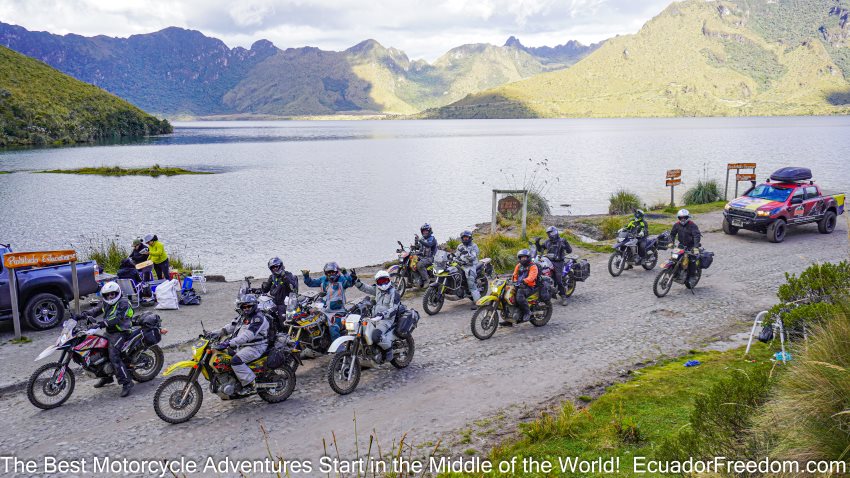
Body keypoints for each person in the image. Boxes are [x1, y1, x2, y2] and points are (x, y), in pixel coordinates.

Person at [82, 281, 135, 397]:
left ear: (117, 293)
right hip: (110, 332)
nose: (110, 296)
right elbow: (96, 310)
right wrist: (82, 315)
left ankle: (127, 382)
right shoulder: (106, 303)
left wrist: (101, 324)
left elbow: (117, 318)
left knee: (113, 355)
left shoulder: (124, 303)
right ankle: (107, 377)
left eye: (113, 294)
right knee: (99, 352)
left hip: (122, 332)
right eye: (108, 295)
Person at [210, 294, 269, 395]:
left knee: (236, 360)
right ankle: (234, 382)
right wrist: (214, 333)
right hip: (243, 346)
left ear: (254, 306)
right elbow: (230, 327)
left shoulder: (258, 318)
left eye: (248, 306)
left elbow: (248, 335)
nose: (246, 309)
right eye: (244, 307)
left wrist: (229, 343)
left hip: (256, 347)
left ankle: (250, 384)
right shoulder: (243, 317)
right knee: (224, 356)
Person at [354, 270, 401, 361]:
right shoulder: (377, 290)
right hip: (374, 317)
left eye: (385, 281)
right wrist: (356, 281)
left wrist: (383, 315)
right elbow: (365, 288)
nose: (383, 283)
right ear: (377, 282)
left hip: (387, 319)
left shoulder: (394, 293)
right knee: (362, 333)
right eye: (380, 281)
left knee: (376, 335)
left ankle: (389, 350)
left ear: (389, 280)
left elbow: (394, 309)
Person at [301, 262, 355, 339]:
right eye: (329, 272)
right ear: (326, 273)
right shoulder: (323, 279)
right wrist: (306, 276)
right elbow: (310, 283)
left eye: (333, 272)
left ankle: (338, 349)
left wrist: (346, 273)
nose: (331, 274)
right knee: (310, 322)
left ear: (337, 272)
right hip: (323, 309)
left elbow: (350, 283)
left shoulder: (342, 280)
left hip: (337, 310)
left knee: (334, 328)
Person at [538, 226, 573, 306]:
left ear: (556, 232)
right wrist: (537, 243)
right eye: (549, 234)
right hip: (548, 260)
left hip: (558, 262)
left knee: (558, 279)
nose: (551, 235)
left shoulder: (562, 241)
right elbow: (541, 250)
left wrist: (565, 246)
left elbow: (569, 250)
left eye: (552, 233)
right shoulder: (547, 242)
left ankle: (563, 297)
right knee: (540, 272)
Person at [261, 257, 298, 329]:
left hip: (286, 303)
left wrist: (284, 277)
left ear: (280, 265)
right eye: (272, 267)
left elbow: (293, 287)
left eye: (276, 266)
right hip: (274, 302)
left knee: (283, 321)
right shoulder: (272, 277)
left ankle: (286, 334)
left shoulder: (288, 275)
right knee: (266, 314)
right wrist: (255, 290)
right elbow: (265, 289)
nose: (274, 268)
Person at [669, 209, 702, 288]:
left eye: (684, 217)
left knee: (691, 260)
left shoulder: (692, 225)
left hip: (691, 246)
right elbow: (672, 234)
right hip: (681, 245)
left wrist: (696, 247)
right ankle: (675, 272)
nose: (683, 219)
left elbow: (696, 236)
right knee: (674, 257)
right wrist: (671, 242)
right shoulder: (676, 225)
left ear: (688, 217)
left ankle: (692, 276)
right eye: (681, 218)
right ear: (678, 218)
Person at [510, 249, 539, 324]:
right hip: (519, 285)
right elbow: (515, 275)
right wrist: (514, 280)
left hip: (529, 286)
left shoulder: (533, 266)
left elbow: (532, 277)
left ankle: (527, 312)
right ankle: (510, 318)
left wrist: (524, 281)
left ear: (528, 257)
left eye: (524, 257)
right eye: (521, 257)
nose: (523, 259)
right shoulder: (519, 265)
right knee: (509, 295)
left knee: (519, 296)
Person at [455, 230, 481, 309]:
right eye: (464, 237)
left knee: (471, 284)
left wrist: (466, 253)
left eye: (466, 237)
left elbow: (473, 256)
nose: (465, 239)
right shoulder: (460, 246)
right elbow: (457, 255)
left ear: (470, 238)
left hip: (471, 266)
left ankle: (478, 303)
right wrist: (451, 257)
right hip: (461, 264)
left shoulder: (474, 246)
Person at [415, 223, 437, 288]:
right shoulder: (422, 238)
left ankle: (426, 280)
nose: (425, 232)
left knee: (419, 264)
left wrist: (419, 240)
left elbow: (428, 245)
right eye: (423, 231)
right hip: (423, 257)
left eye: (426, 231)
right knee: (412, 262)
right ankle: (417, 280)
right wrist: (415, 243)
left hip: (431, 258)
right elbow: (419, 247)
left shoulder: (432, 239)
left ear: (429, 231)